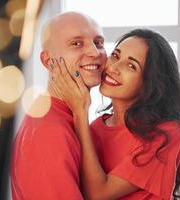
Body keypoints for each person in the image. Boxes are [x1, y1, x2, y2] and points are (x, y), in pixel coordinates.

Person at [51, 28, 180, 200]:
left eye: (131, 65)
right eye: (115, 56)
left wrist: (80, 110)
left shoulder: (166, 134)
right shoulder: (94, 129)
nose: (113, 67)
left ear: (150, 82)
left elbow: (97, 194)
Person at [10, 12, 107, 200]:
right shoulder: (49, 130)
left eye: (98, 42)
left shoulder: (62, 115)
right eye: (76, 43)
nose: (94, 53)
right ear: (48, 61)